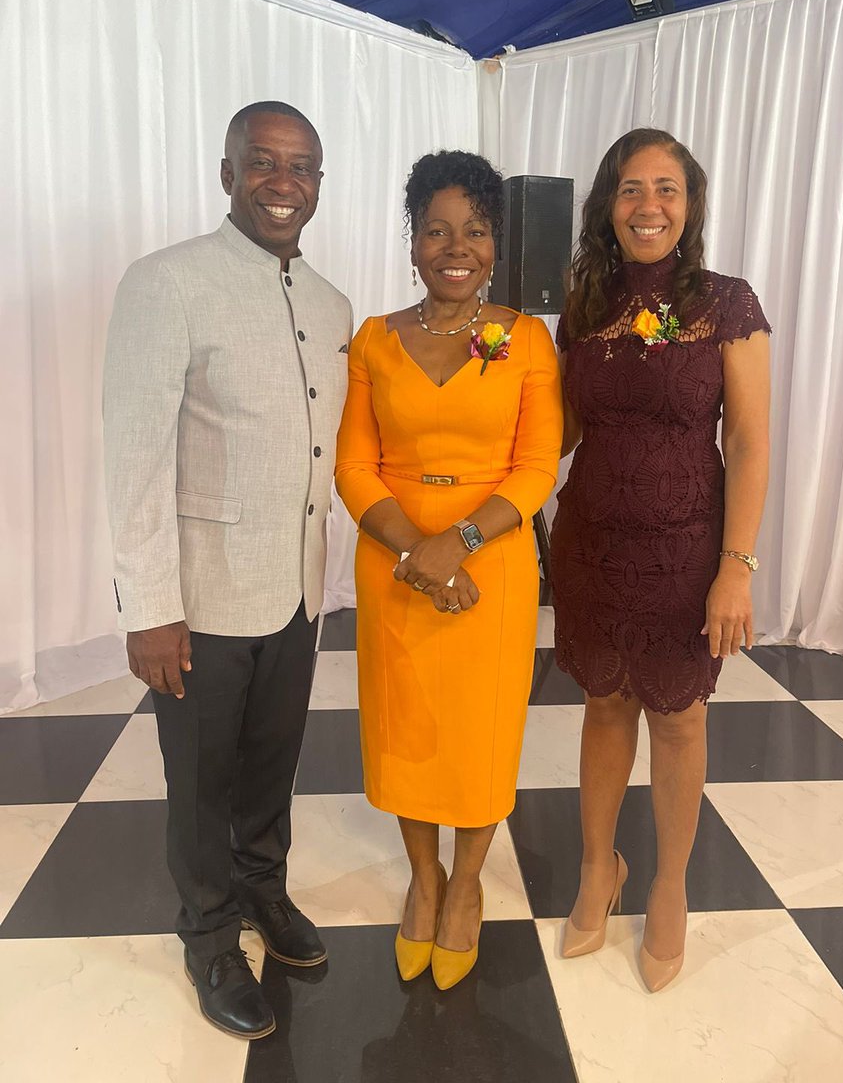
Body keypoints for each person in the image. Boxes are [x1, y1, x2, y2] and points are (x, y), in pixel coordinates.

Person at [102, 101, 352, 1038]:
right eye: (263, 162)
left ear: (319, 186)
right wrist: (149, 608)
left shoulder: (331, 305)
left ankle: (263, 892)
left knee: (272, 765)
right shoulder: (167, 284)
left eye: (301, 169)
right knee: (201, 779)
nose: (282, 183)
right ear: (227, 172)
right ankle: (208, 934)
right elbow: (134, 457)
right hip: (199, 597)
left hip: (295, 590)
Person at [335, 151, 562, 990]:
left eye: (473, 230)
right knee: (410, 729)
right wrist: (413, 550)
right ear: (412, 241)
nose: (454, 246)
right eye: (436, 229)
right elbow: (355, 467)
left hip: (492, 566)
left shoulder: (527, 340)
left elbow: (537, 466)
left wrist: (454, 544)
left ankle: (466, 887)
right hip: (392, 562)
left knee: (479, 734)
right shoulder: (373, 338)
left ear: (495, 245)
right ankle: (422, 881)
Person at [551, 128, 770, 991]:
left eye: (668, 189)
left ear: (691, 203)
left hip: (687, 550)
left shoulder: (728, 303)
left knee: (678, 719)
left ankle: (670, 884)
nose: (650, 206)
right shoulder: (582, 305)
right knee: (606, 707)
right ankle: (598, 868)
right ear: (609, 205)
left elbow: (749, 443)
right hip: (593, 543)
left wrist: (737, 566)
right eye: (632, 189)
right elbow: (565, 432)